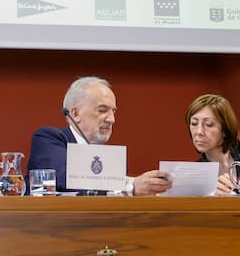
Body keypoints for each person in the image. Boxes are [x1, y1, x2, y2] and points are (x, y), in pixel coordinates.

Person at [28, 76, 171, 195]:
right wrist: (131, 186)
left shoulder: (110, 159)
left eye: (113, 112)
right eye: (102, 110)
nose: (111, 119)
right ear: (75, 114)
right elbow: (65, 179)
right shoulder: (48, 138)